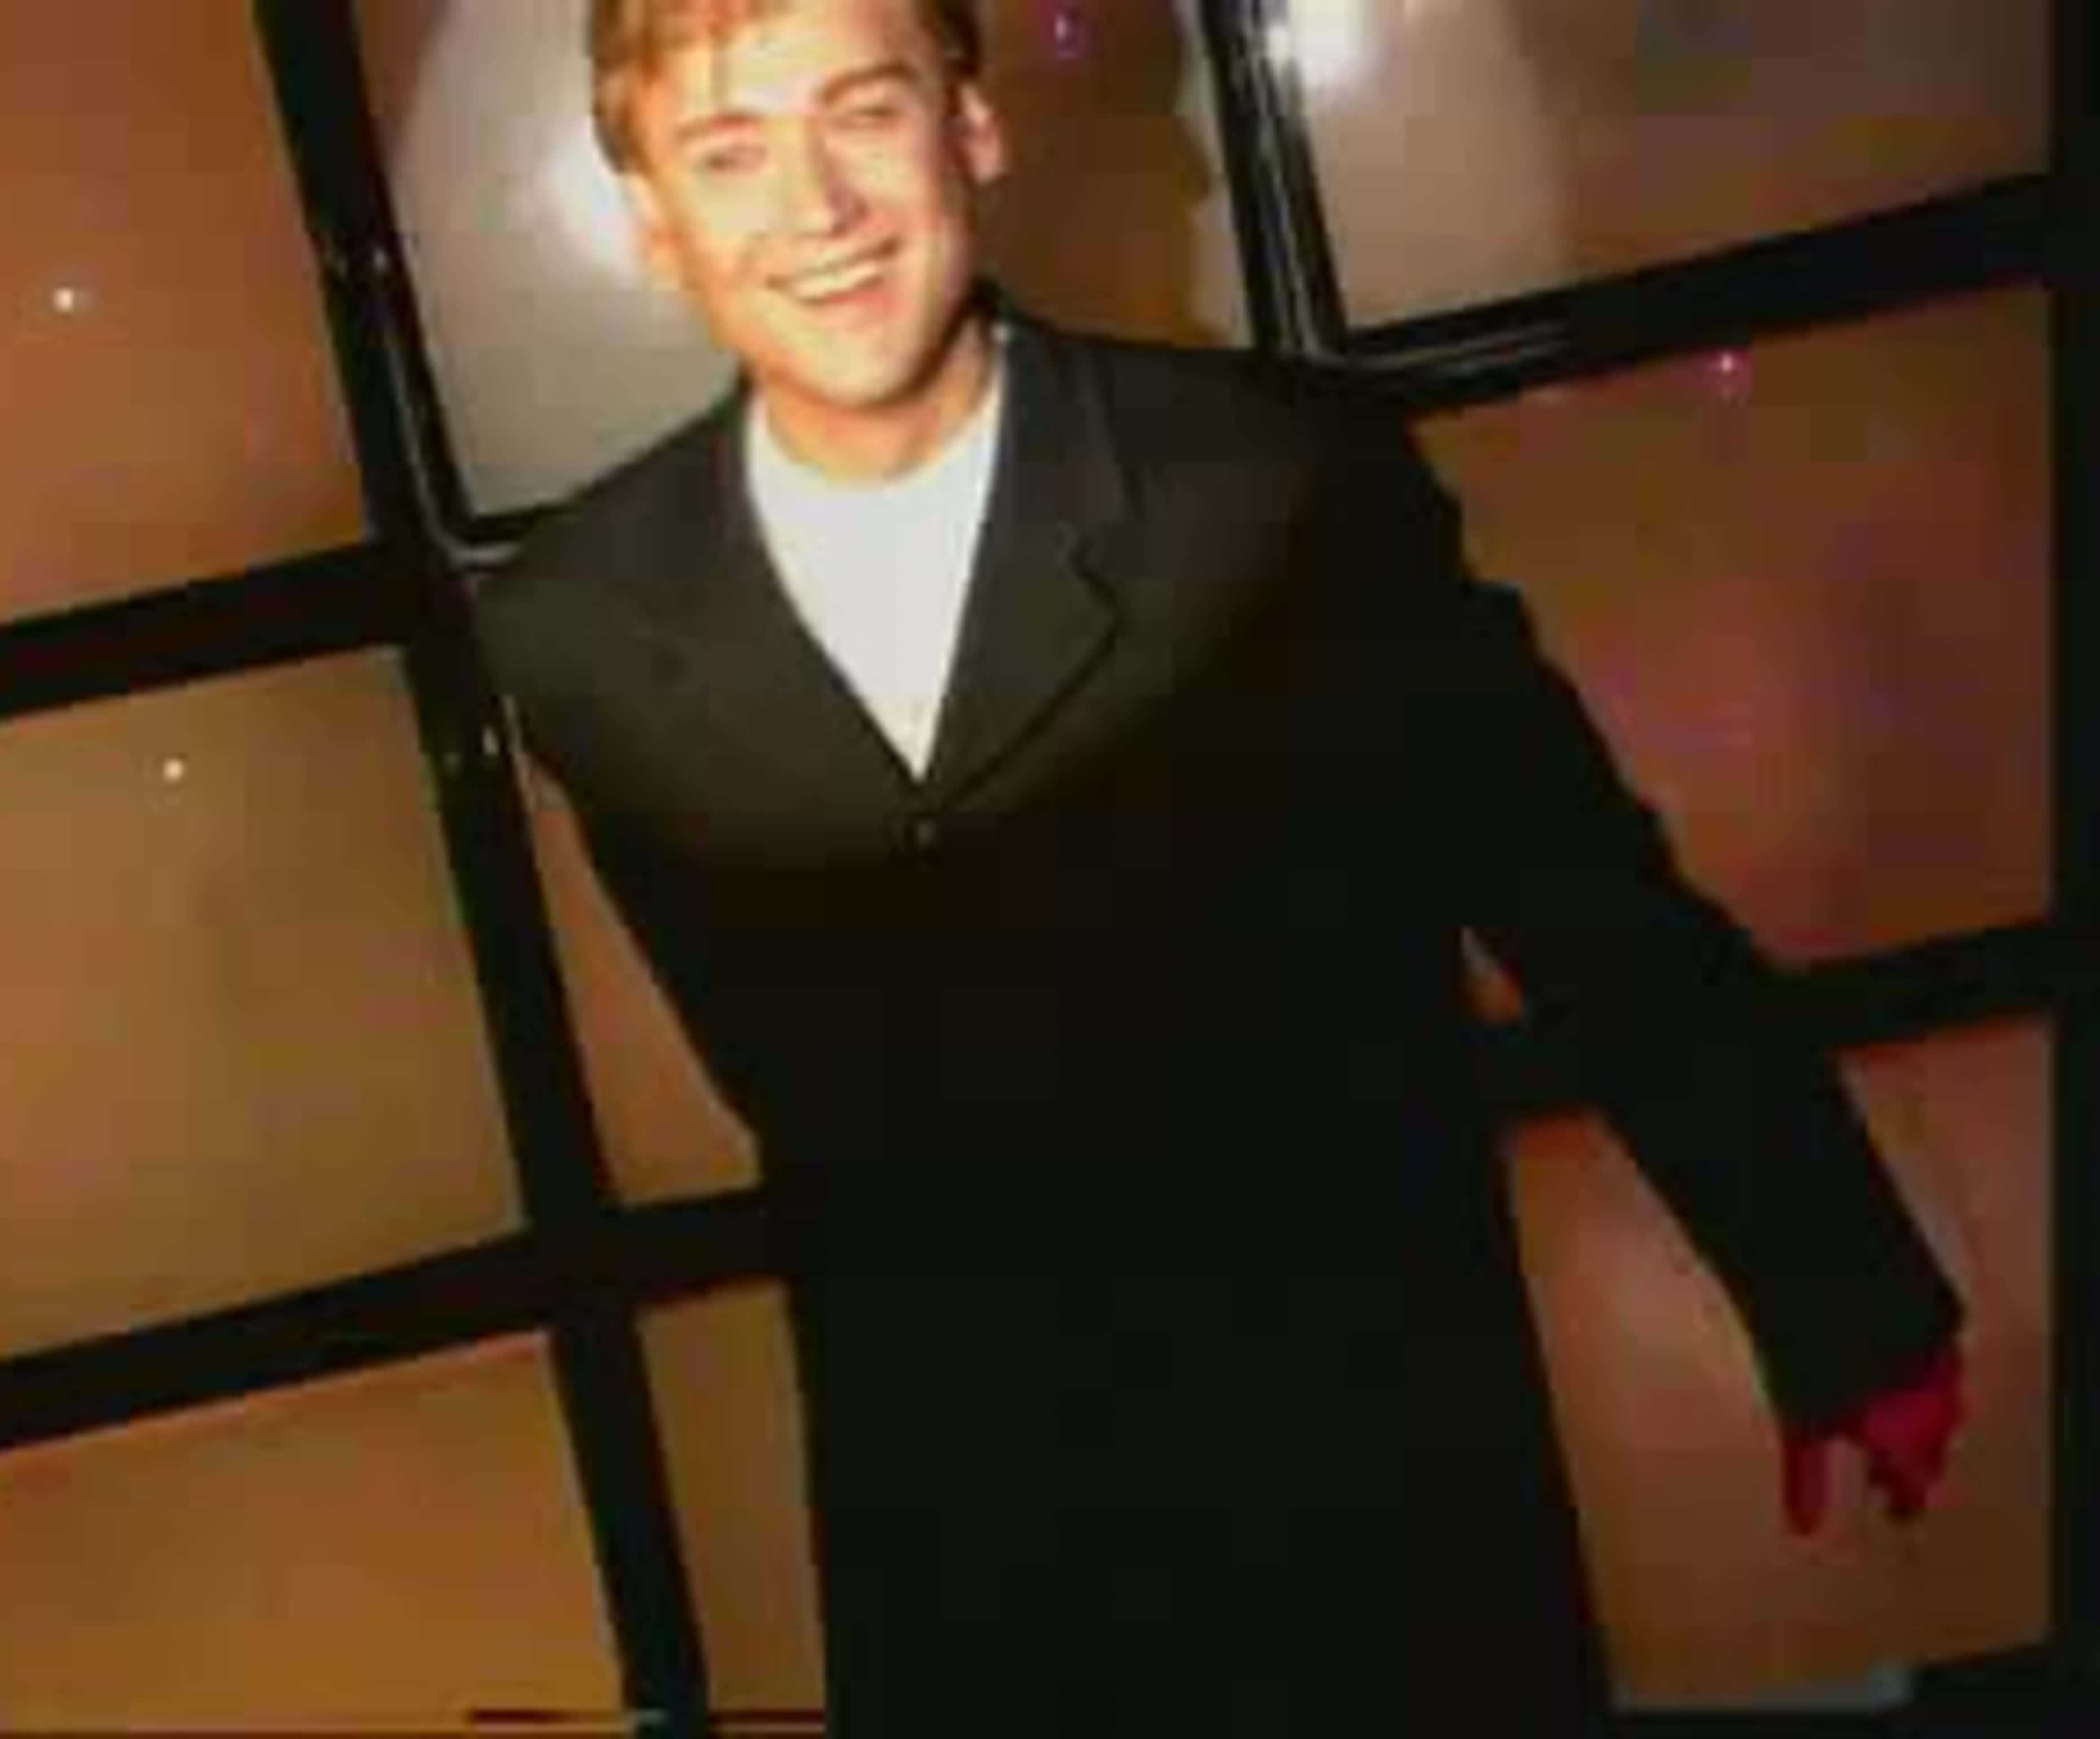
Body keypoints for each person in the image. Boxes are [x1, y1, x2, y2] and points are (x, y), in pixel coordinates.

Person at [470, 0, 1969, 1727]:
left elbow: (1588, 904)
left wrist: (1843, 1297)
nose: (815, 208)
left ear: (971, 130)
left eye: (863, 113)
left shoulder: (1274, 483)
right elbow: (782, 1077)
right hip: (961, 1568)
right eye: (731, 152)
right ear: (651, 217)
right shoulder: (578, 632)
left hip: (1380, 1518)